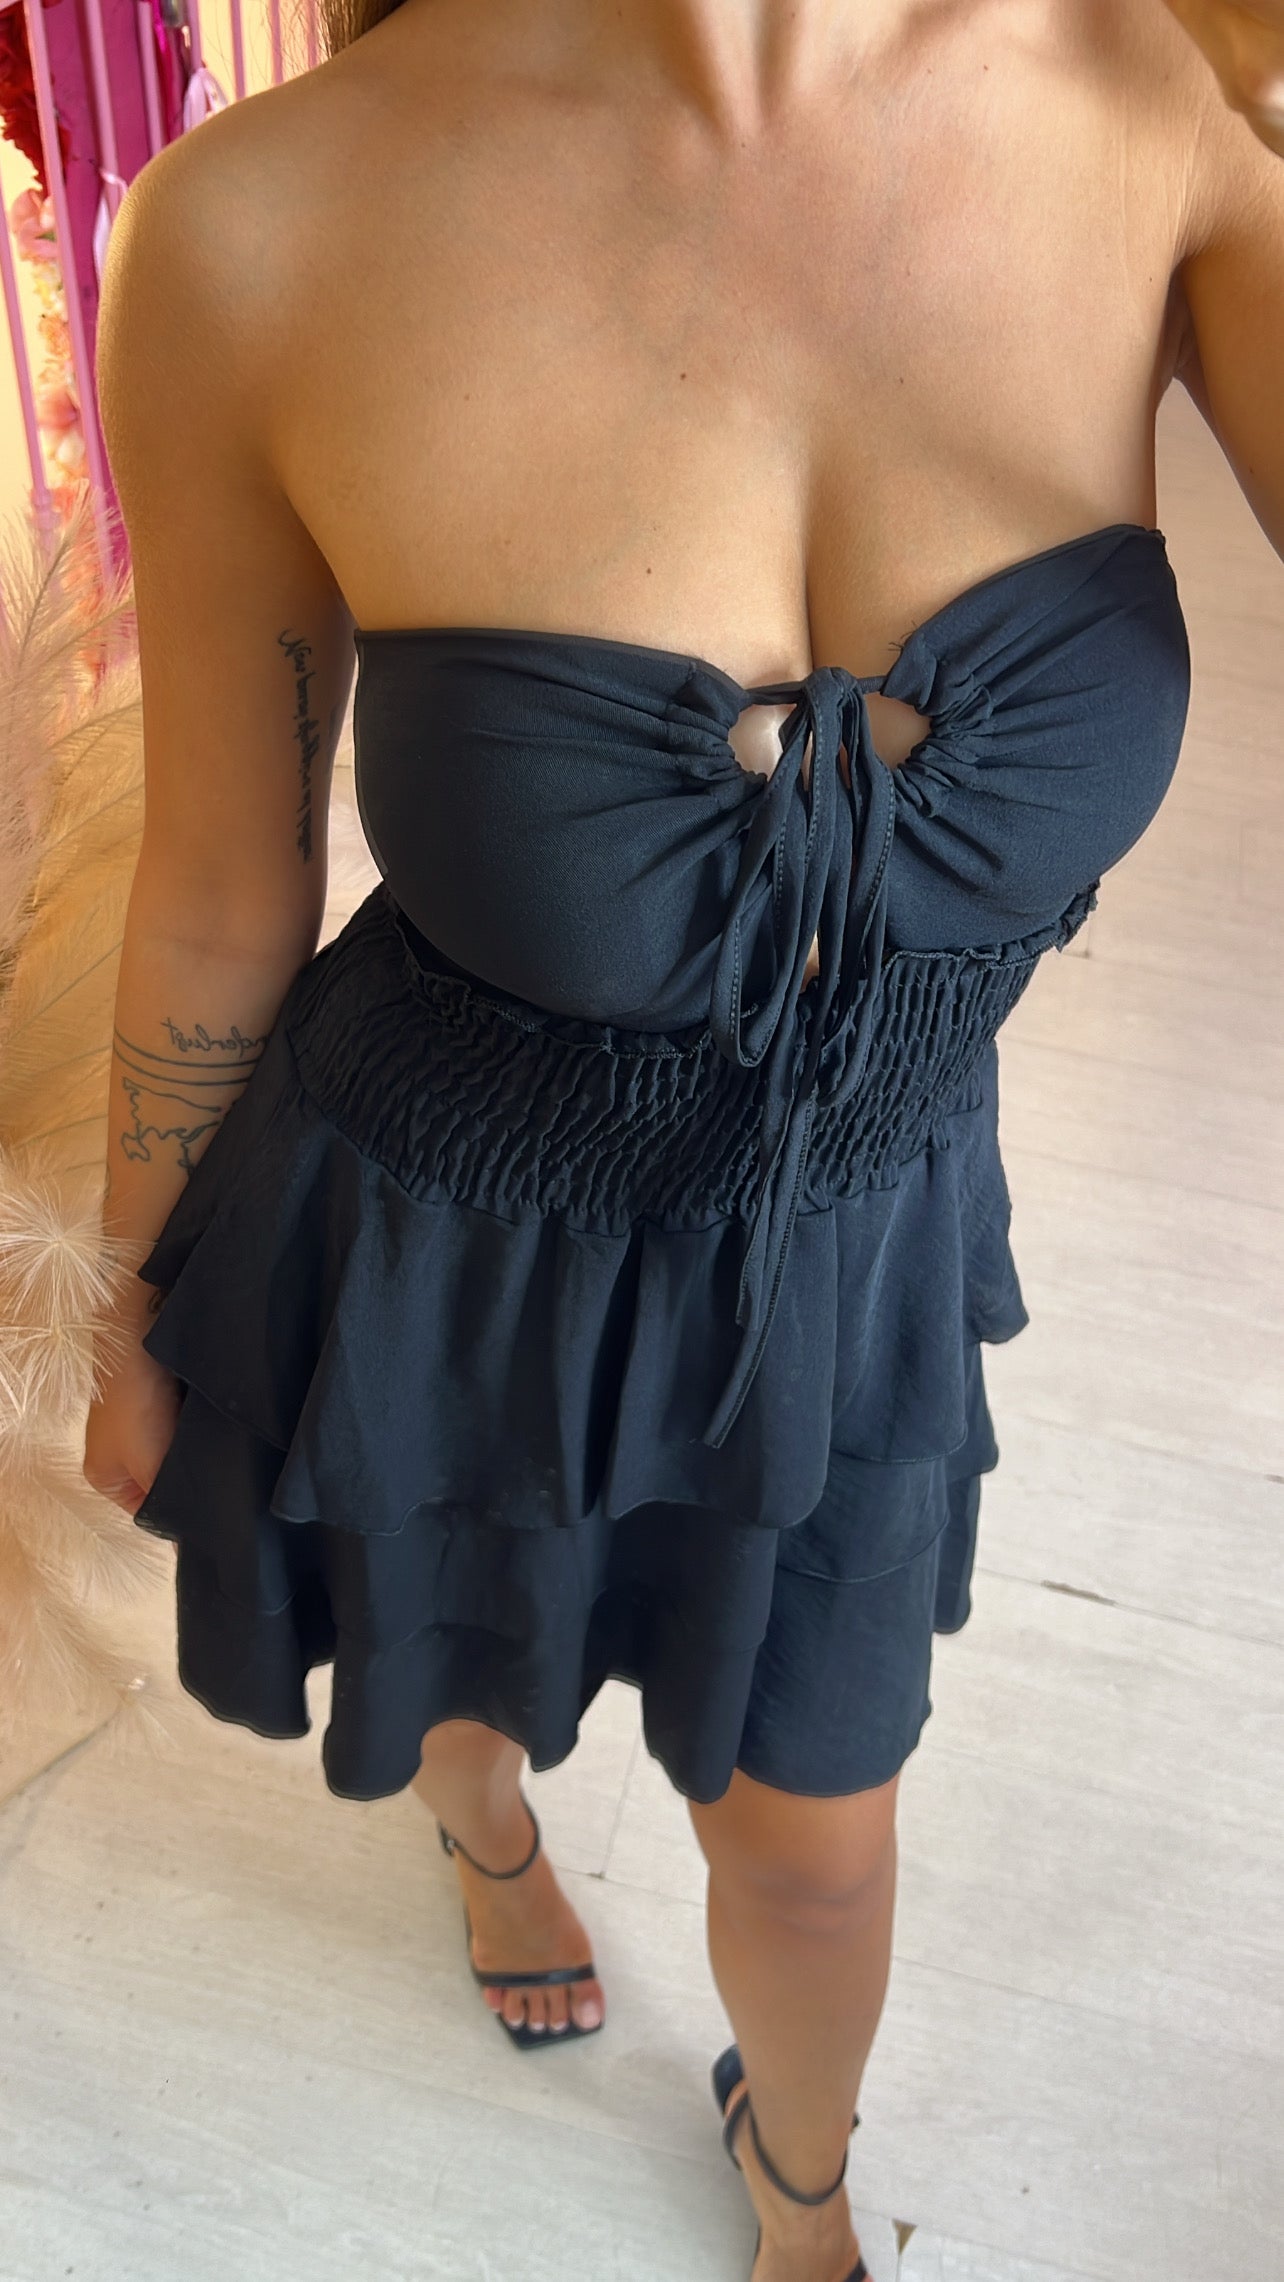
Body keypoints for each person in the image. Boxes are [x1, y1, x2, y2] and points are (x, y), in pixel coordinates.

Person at [84, 5, 1284, 2278]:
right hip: (432, 1218)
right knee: (454, 1679)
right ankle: (486, 1844)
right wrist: (128, 1295)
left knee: (816, 1845)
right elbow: (226, 876)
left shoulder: (1143, 106)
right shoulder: (256, 225)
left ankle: (800, 2184)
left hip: (853, 1235)